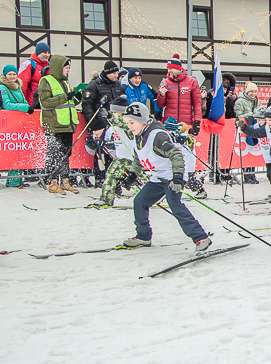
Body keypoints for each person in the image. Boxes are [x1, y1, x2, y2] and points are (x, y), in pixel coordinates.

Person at [119, 103, 210, 252]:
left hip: (173, 175)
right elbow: (138, 158)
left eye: (132, 122)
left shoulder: (157, 135)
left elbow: (176, 155)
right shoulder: (138, 135)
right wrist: (132, 175)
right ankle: (143, 236)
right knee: (140, 202)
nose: (129, 126)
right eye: (127, 122)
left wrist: (178, 178)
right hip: (158, 178)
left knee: (174, 203)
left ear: (143, 120)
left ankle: (200, 237)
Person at [88, 96, 142, 208]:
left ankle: (158, 195)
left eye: (115, 111)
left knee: (142, 178)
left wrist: (109, 115)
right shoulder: (115, 124)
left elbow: (120, 121)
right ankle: (106, 199)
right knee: (111, 175)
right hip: (121, 158)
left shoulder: (128, 121)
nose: (113, 113)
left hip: (133, 158)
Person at [37, 54, 79, 195]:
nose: (68, 71)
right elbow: (45, 102)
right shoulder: (46, 81)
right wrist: (65, 97)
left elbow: (67, 103)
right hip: (54, 124)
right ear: (58, 68)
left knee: (66, 154)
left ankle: (65, 181)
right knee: (54, 153)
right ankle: (52, 181)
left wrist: (75, 98)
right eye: (66, 68)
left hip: (67, 123)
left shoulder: (64, 82)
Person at [156, 54, 201, 128]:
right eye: (168, 69)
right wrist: (161, 95)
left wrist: (197, 121)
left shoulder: (191, 82)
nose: (169, 71)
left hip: (186, 123)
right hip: (170, 124)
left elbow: (197, 103)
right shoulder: (166, 82)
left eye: (171, 69)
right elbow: (160, 105)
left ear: (178, 68)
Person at [81, 60, 124, 131]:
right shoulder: (95, 85)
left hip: (116, 121)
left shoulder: (117, 84)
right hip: (101, 123)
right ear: (107, 73)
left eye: (117, 73)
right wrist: (92, 122)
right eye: (114, 73)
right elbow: (87, 104)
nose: (116, 75)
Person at [234, 82, 261, 184]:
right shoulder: (240, 101)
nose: (253, 94)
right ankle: (246, 175)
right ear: (247, 91)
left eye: (255, 92)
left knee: (253, 149)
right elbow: (238, 114)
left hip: (253, 127)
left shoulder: (256, 101)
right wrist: (250, 114)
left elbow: (260, 111)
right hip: (243, 128)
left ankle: (252, 174)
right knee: (245, 150)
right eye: (251, 91)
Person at [17, 41, 50, 110]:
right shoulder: (29, 64)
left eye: (48, 52)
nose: (47, 55)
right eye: (44, 52)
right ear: (38, 53)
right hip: (32, 105)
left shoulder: (50, 66)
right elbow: (22, 86)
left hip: (47, 104)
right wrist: (23, 105)